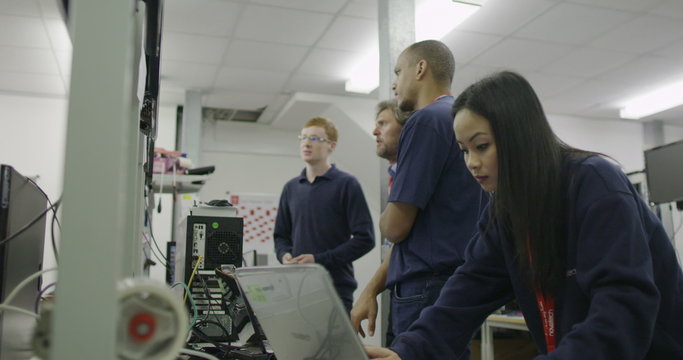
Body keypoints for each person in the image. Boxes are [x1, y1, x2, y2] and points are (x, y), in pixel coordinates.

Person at [366, 71, 683, 360]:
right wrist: (406, 352)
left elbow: (623, 310)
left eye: (481, 146)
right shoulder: (505, 209)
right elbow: (465, 292)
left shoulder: (594, 184)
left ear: (519, 136)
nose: (471, 163)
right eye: (464, 149)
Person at [351, 40, 483, 351]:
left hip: (424, 286)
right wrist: (372, 289)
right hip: (453, 284)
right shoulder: (462, 120)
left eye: (398, 72)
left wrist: (385, 219)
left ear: (420, 68)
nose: (395, 84)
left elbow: (395, 229)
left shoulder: (426, 119)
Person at [273, 117, 375, 313]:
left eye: (314, 138)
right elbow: (281, 236)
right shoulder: (291, 188)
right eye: (303, 138)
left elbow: (365, 239)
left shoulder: (347, 184)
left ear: (331, 145)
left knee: (334, 345)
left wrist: (318, 259)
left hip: (335, 289)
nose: (306, 143)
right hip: (298, 289)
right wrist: (284, 255)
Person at [371, 99, 411, 345]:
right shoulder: (395, 174)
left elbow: (394, 232)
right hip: (398, 284)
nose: (375, 131)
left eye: (383, 124)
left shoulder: (412, 174)